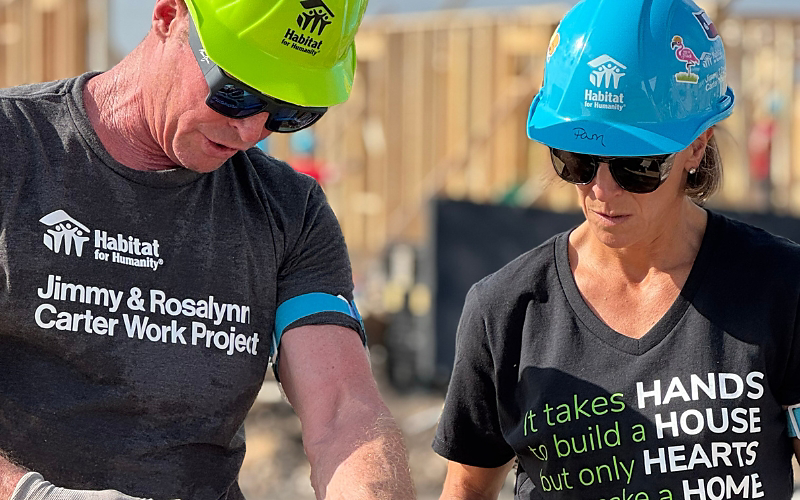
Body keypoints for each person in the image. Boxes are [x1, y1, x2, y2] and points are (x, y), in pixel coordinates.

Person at [0, 0, 415, 499]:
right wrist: (31, 494)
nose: (252, 131)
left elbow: (343, 414)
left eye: (291, 113)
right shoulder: (14, 147)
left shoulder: (289, 210)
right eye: (235, 93)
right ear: (168, 16)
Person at [433, 0, 800, 498]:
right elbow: (467, 489)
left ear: (697, 146)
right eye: (578, 161)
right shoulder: (504, 312)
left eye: (636, 167)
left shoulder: (782, 290)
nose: (602, 190)